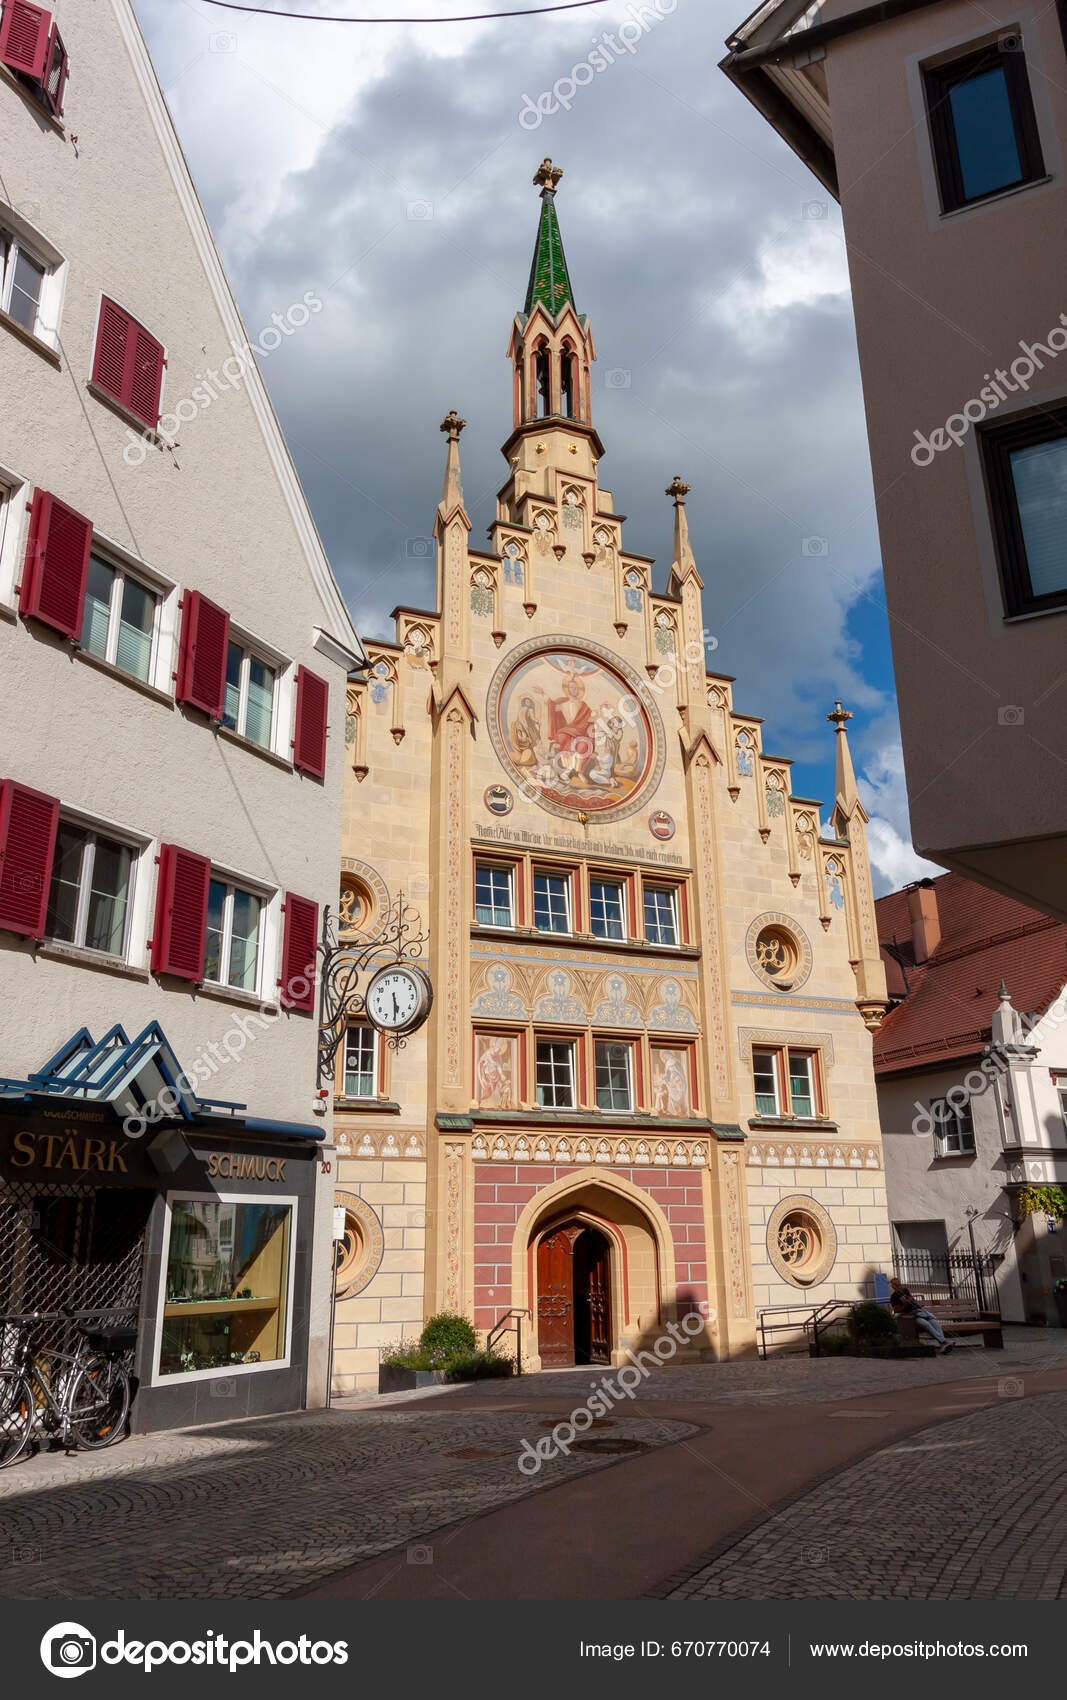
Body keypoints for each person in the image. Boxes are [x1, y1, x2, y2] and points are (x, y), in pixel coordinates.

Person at [889, 1278, 955, 1354]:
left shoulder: (905, 1290)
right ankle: (944, 1341)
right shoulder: (893, 1297)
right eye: (897, 1285)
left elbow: (912, 1300)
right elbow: (896, 1310)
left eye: (900, 1284)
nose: (899, 1286)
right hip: (911, 1317)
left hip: (919, 1312)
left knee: (936, 1323)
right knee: (926, 1324)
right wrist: (905, 1304)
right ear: (893, 1286)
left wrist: (910, 1300)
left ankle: (943, 1345)